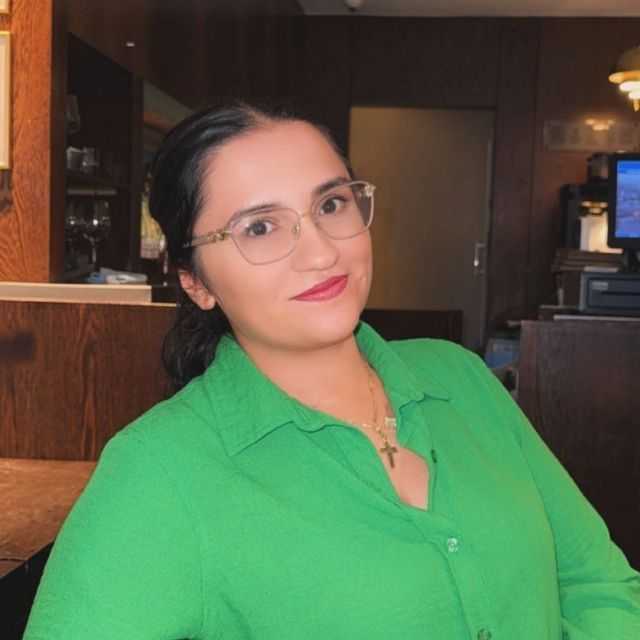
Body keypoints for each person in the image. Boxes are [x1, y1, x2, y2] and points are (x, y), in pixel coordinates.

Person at [24, 104, 639, 639]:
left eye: (331, 204)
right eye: (259, 227)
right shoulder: (160, 472)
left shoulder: (461, 379)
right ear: (196, 282)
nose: (321, 251)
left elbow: (600, 583)